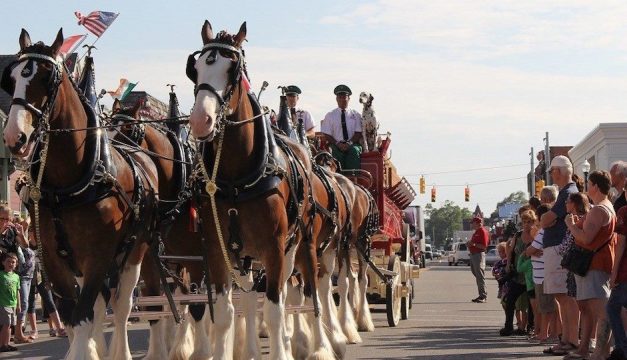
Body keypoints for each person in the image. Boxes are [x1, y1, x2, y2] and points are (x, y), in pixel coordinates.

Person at [566, 170, 616, 360]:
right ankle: (589, 349)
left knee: (603, 311)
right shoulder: (605, 207)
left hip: (594, 265)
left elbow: (586, 238)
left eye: (589, 183)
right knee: (589, 309)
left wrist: (571, 225)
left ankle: (601, 353)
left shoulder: (599, 209)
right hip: (594, 265)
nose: (586, 186)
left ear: (595, 186)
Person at [540, 155, 580, 354]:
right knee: (561, 296)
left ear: (560, 171)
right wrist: (546, 219)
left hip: (560, 250)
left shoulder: (567, 193)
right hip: (556, 250)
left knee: (565, 296)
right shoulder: (565, 193)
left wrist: (547, 219)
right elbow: (545, 220)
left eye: (552, 171)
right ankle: (567, 338)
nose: (551, 175)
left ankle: (571, 340)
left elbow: (547, 219)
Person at [321, 85, 363, 170]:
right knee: (334, 152)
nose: (342, 100)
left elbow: (358, 133)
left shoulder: (356, 115)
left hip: (352, 144)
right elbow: (327, 134)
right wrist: (338, 144)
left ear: (349, 99)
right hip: (336, 144)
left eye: (344, 97)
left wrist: (349, 143)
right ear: (336, 99)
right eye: (340, 97)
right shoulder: (330, 115)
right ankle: (337, 178)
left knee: (354, 151)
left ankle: (354, 178)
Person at [608, 182, 627, 360]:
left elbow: (621, 243)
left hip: (625, 273)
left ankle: (622, 347)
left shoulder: (624, 212)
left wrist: (613, 273)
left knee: (613, 308)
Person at [0, 252, 20, 352]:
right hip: (3, 303)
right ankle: (2, 345)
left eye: (13, 262)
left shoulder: (16, 277)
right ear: (3, 262)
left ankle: (7, 344)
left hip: (13, 304)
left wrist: (18, 305)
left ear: (16, 264)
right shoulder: (1, 275)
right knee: (6, 325)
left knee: (10, 325)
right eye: (8, 261)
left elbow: (17, 291)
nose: (11, 264)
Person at [467, 216, 488, 303]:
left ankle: (483, 295)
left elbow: (484, 246)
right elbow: (474, 243)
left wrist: (473, 244)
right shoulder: (476, 232)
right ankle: (481, 294)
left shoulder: (482, 231)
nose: (471, 224)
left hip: (478, 255)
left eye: (473, 223)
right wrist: (469, 244)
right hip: (473, 255)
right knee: (476, 274)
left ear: (477, 223)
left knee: (480, 276)